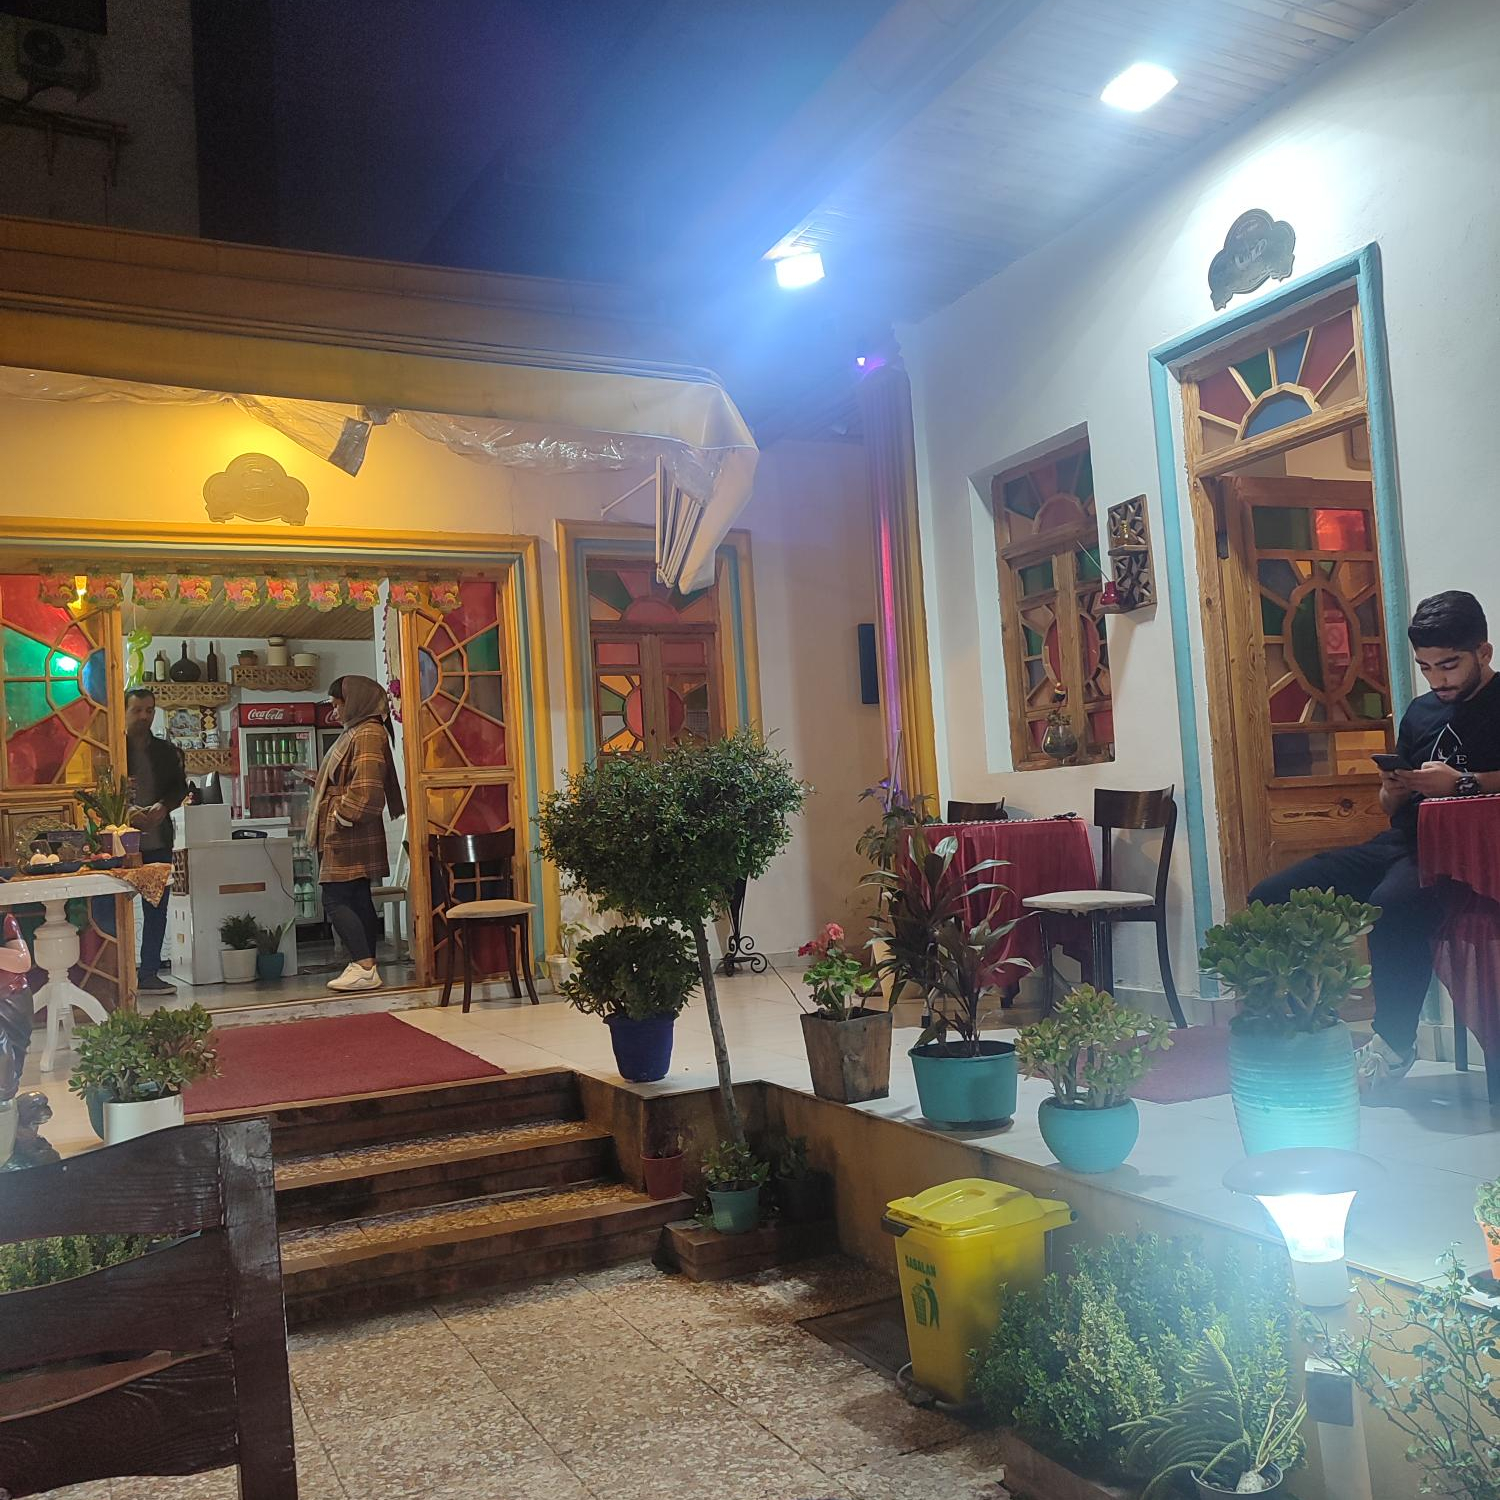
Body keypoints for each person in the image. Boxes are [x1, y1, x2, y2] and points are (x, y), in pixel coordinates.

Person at [1249, 591, 1500, 1090]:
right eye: (1426, 668)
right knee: (1272, 896)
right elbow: (1389, 807)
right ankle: (1310, 1030)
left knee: (1393, 904)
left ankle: (1393, 1044)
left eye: (1449, 665)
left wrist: (1462, 783)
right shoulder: (1421, 712)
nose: (1438, 680)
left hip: (1470, 854)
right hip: (1403, 841)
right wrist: (1394, 788)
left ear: (1484, 652)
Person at [309, 675, 404, 992]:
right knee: (357, 895)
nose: (335, 712)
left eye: (338, 704)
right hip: (351, 828)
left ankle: (363, 964)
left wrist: (341, 815)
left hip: (349, 830)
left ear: (355, 702)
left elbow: (367, 788)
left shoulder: (366, 733)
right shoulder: (362, 731)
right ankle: (366, 966)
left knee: (335, 896)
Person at [125, 685, 188, 996]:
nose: (144, 716)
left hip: (158, 840)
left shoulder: (165, 751)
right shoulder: (113, 749)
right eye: (137, 710)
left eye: (149, 711)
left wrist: (164, 806)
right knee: (114, 908)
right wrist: (126, 811)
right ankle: (117, 974)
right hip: (120, 843)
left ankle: (148, 973)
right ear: (124, 712)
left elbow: (179, 787)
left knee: (156, 909)